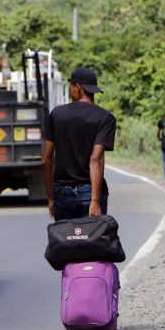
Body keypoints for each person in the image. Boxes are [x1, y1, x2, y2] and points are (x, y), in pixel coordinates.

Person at [42, 67, 117, 221]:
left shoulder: (57, 115)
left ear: (78, 87)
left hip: (62, 193)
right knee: (94, 239)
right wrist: (95, 201)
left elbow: (46, 160)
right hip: (89, 192)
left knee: (65, 241)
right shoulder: (105, 118)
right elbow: (96, 158)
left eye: (71, 86)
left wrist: (51, 199)